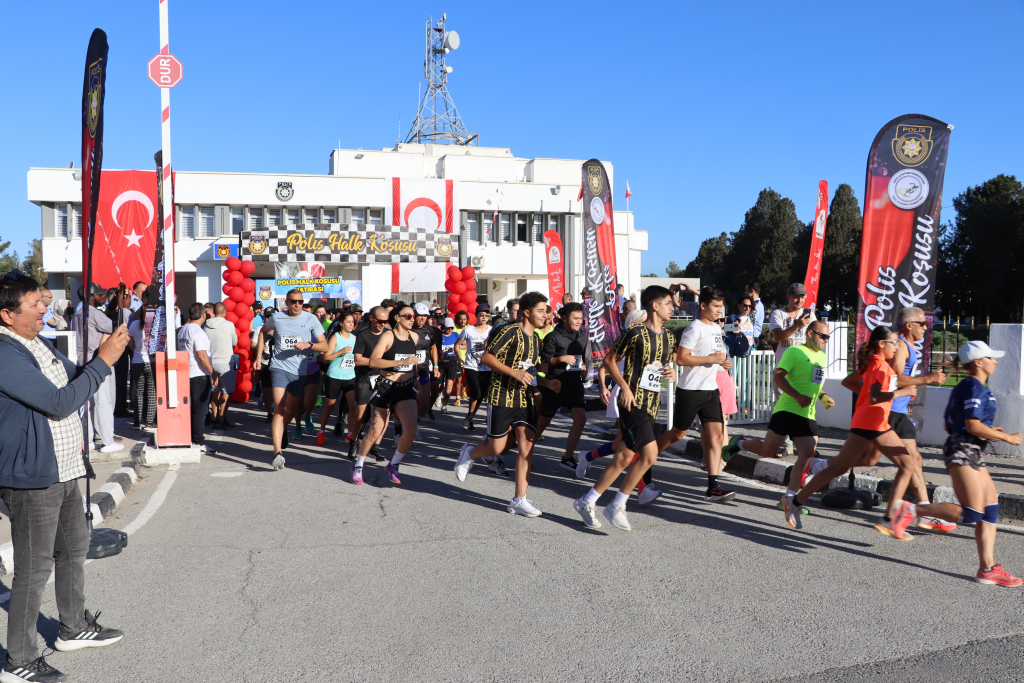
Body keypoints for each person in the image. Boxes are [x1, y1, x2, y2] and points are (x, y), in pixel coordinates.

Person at [0, 271, 127, 683]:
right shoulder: (5, 354)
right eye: (35, 303)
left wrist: (101, 358)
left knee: (74, 550)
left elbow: (77, 378)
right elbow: (58, 403)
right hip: (33, 478)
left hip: (67, 468)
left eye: (43, 299)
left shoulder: (37, 343)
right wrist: (103, 364)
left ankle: (73, 628)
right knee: (33, 571)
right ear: (6, 314)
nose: (46, 308)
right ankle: (19, 659)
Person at [888, 341, 1023, 586]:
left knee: (991, 508)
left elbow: (954, 424)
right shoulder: (973, 386)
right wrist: (1006, 437)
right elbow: (972, 425)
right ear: (978, 362)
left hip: (969, 448)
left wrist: (989, 430)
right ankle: (910, 510)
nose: (996, 361)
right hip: (963, 450)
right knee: (972, 513)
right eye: (991, 357)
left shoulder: (970, 386)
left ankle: (988, 568)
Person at [783, 325, 915, 529]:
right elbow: (875, 396)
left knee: (842, 466)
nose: (897, 347)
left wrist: (868, 397)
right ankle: (888, 520)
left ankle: (796, 501)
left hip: (870, 422)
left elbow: (850, 382)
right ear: (881, 344)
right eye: (894, 343)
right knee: (907, 465)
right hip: (873, 424)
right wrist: (901, 393)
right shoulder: (880, 366)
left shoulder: (873, 362)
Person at [839, 307, 955, 535]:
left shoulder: (902, 346)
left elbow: (871, 379)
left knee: (869, 460)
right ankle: (924, 513)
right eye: (922, 323)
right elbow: (897, 378)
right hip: (894, 412)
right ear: (908, 325)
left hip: (890, 411)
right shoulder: (901, 345)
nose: (926, 327)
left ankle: (820, 467)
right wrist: (927, 379)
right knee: (914, 460)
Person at [572, 286, 677, 530]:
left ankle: (587, 501)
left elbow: (665, 363)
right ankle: (618, 504)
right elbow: (609, 361)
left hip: (651, 405)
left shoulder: (669, 336)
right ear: (655, 305)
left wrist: (670, 371)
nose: (673, 308)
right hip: (632, 402)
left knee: (624, 457)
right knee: (649, 455)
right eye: (669, 304)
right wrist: (625, 388)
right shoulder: (635, 332)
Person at [454, 291, 561, 517]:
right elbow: (487, 357)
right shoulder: (509, 331)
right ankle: (469, 453)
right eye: (540, 311)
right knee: (496, 447)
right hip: (502, 396)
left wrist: (547, 382)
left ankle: (519, 500)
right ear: (526, 312)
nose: (545, 315)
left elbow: (529, 371)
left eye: (546, 310)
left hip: (524, 399)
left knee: (527, 446)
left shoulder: (537, 339)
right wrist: (514, 372)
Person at [723, 320, 836, 503]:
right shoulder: (795, 352)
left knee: (807, 455)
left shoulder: (822, 357)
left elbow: (815, 385)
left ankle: (789, 499)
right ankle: (739, 443)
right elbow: (778, 376)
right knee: (767, 450)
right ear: (810, 334)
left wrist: (823, 397)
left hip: (807, 414)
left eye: (828, 337)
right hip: (787, 410)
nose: (826, 340)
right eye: (823, 336)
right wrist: (798, 396)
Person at [658, 285, 736, 503]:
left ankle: (713, 487)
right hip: (690, 390)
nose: (720, 310)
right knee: (677, 435)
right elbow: (682, 359)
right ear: (703, 306)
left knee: (717, 437)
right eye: (716, 306)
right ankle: (643, 458)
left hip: (711, 390)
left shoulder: (716, 329)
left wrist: (723, 363)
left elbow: (715, 358)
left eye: (722, 306)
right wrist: (710, 359)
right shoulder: (694, 328)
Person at [576, 309, 662, 503]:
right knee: (632, 446)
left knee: (620, 446)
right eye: (643, 321)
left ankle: (587, 457)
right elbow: (605, 365)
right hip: (623, 395)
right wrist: (604, 387)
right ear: (633, 324)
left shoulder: (646, 341)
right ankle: (641, 490)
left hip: (639, 397)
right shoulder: (627, 340)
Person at [254, 290, 328, 470]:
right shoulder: (277, 318)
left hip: (299, 371)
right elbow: (263, 332)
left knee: (290, 409)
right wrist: (258, 356)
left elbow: (324, 345)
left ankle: (283, 430)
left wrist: (309, 345)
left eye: (300, 302)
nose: (297, 305)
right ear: (286, 302)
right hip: (279, 367)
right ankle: (277, 453)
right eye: (293, 302)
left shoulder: (310, 319)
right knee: (279, 408)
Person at [351, 305, 421, 485]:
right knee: (375, 432)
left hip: (405, 388)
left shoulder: (414, 336)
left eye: (414, 316)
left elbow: (412, 362)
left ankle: (394, 465)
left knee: (411, 430)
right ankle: (358, 465)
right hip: (385, 388)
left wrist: (416, 377)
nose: (412, 319)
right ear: (397, 318)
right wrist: (401, 361)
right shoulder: (388, 336)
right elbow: (374, 361)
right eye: (408, 316)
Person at [535, 302, 589, 470]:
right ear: (565, 318)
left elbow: (582, 360)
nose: (579, 321)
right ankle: (526, 449)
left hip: (574, 385)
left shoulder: (582, 336)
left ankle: (567, 457)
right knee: (544, 420)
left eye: (581, 318)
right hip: (555, 385)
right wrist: (561, 359)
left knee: (580, 420)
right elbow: (546, 363)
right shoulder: (553, 336)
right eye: (575, 318)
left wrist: (583, 370)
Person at [70, 284, 122, 454]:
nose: (104, 296)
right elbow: (114, 328)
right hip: (98, 362)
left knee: (88, 404)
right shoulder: (94, 314)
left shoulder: (77, 314)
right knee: (104, 402)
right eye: (100, 294)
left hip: (81, 363)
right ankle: (107, 441)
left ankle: (89, 440)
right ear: (90, 297)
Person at [349, 306, 391, 460]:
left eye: (385, 321)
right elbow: (358, 360)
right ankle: (354, 441)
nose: (382, 324)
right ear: (371, 318)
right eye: (380, 320)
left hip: (383, 378)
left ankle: (375, 445)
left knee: (384, 414)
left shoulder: (388, 334)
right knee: (360, 414)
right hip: (365, 378)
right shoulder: (363, 335)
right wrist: (376, 362)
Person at [178, 303, 218, 454]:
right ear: (203, 315)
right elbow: (202, 355)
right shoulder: (198, 332)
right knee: (200, 411)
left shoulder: (183, 330)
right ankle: (198, 441)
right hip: (199, 375)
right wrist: (213, 373)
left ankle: (191, 438)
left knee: (192, 410)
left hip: (186, 373)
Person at [318, 311, 358, 445]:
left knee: (353, 405)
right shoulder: (335, 337)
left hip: (350, 376)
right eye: (348, 322)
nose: (351, 324)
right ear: (341, 323)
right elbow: (326, 358)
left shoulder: (354, 338)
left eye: (352, 322)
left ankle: (351, 434)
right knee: (330, 406)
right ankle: (321, 431)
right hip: (334, 376)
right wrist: (341, 352)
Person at [203, 303, 238, 430]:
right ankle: (222, 418)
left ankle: (216, 416)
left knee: (214, 391)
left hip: (211, 362)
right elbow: (235, 342)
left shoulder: (206, 325)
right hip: (226, 362)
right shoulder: (229, 325)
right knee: (226, 392)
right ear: (225, 312)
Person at [126, 294, 157, 431]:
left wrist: (137, 352)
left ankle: (137, 421)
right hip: (150, 361)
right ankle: (149, 420)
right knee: (151, 391)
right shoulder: (155, 327)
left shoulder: (133, 324)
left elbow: (131, 344)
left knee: (139, 391)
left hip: (136, 360)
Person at [459, 305, 492, 431]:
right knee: (476, 392)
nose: (484, 317)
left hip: (487, 368)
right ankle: (470, 416)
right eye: (481, 315)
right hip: (471, 366)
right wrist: (458, 359)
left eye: (486, 315)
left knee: (482, 394)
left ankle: (470, 417)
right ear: (476, 315)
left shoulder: (492, 330)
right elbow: (458, 345)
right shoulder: (468, 330)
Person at [412, 303, 442, 421]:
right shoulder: (407, 329)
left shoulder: (430, 331)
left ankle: (414, 424)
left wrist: (435, 366)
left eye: (425, 315)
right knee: (411, 402)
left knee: (424, 404)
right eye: (420, 315)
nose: (423, 318)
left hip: (424, 371)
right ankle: (401, 429)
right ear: (413, 315)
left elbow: (433, 348)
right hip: (407, 373)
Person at [438, 317, 464, 413]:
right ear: (443, 327)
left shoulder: (456, 335)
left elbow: (465, 344)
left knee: (449, 385)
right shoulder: (439, 336)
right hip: (441, 362)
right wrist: (439, 352)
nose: (449, 330)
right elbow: (433, 347)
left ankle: (444, 406)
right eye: (447, 327)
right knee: (439, 386)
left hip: (452, 361)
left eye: (451, 328)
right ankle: (438, 395)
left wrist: (457, 347)